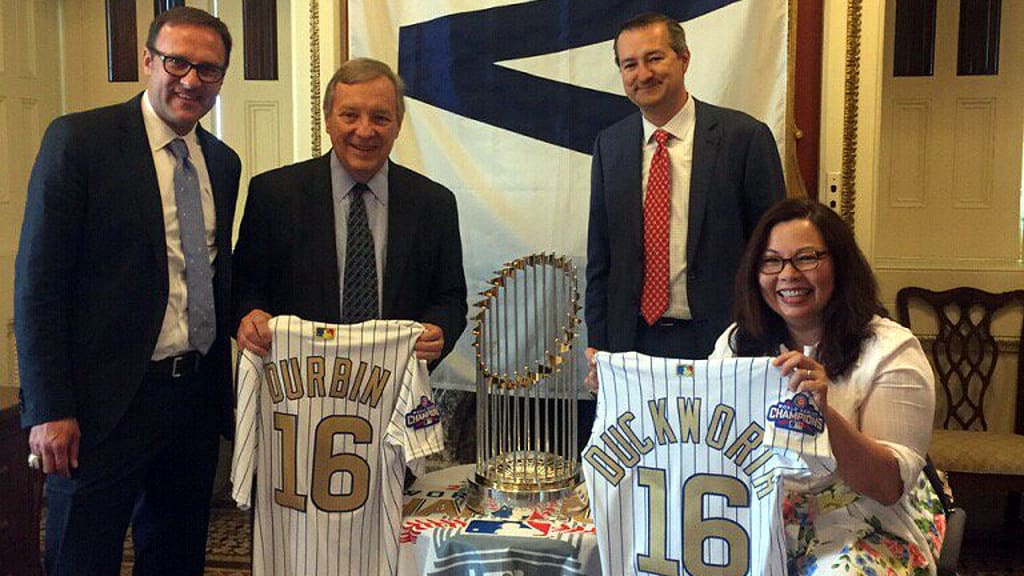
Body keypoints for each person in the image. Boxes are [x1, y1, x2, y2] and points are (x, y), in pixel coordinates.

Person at [15, 7, 240, 575]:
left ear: (222, 77)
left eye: (208, 69)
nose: (190, 80)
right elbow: (39, 284)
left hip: (191, 402)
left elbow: (212, 274)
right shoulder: (80, 141)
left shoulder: (222, 162)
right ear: (147, 61)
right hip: (99, 408)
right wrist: (49, 407)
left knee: (175, 557)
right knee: (81, 558)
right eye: (177, 62)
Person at [710, 198, 946, 575]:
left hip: (863, 525)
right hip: (755, 518)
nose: (787, 274)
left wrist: (824, 414)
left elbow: (887, 486)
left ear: (839, 265)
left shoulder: (890, 351)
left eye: (806, 258)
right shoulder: (738, 342)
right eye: (772, 261)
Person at [233, 57, 467, 368]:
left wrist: (440, 330)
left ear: (398, 124)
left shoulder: (435, 204)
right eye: (350, 115)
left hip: (396, 388)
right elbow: (244, 287)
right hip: (297, 389)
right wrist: (250, 317)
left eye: (381, 118)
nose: (365, 130)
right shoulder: (273, 195)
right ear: (328, 119)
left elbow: (450, 300)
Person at [585, 11, 785, 372]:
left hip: (726, 340)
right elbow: (601, 257)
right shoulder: (609, 146)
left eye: (654, 58)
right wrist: (598, 343)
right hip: (632, 342)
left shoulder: (745, 138)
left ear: (684, 59)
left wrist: (768, 335)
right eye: (629, 64)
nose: (642, 74)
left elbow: (774, 251)